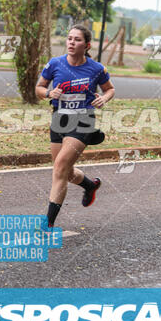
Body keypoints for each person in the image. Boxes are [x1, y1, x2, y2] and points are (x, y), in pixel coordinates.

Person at [35, 24, 115, 227]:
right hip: (59, 119)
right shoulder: (55, 64)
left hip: (83, 120)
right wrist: (48, 94)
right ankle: (90, 185)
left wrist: (104, 98)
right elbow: (39, 87)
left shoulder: (96, 69)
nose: (71, 42)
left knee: (60, 167)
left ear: (87, 45)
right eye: (69, 38)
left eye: (77, 39)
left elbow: (110, 89)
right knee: (65, 172)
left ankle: (48, 224)